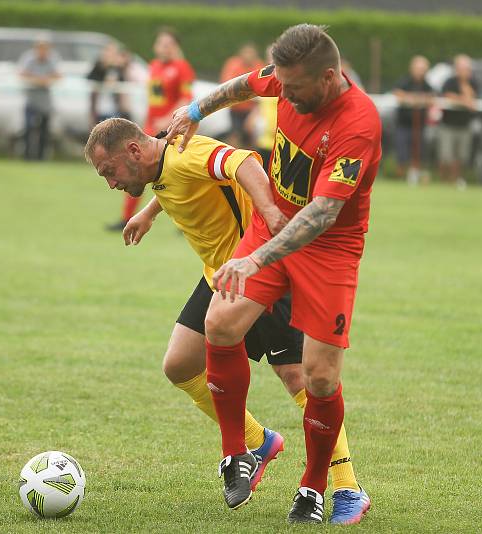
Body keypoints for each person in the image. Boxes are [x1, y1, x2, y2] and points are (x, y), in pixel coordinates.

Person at [85, 115, 368, 523]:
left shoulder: (189, 153)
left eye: (108, 171)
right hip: (220, 278)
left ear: (132, 150)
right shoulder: (162, 162)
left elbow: (243, 163)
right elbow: (175, 182)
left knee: (299, 379)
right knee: (180, 365)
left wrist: (270, 212)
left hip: (262, 272)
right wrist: (149, 212)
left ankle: (347, 487)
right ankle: (259, 443)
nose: (110, 182)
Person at [165, 23, 380, 524]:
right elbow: (242, 84)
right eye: (281, 83)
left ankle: (313, 486)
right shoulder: (288, 78)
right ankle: (239, 451)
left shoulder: (358, 124)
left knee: (320, 378)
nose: (285, 94)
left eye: (296, 88)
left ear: (328, 78)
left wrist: (255, 258)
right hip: (271, 228)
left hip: (329, 249)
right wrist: (194, 110)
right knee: (220, 324)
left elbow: (324, 214)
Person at [108, 28, 194, 232]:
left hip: (172, 131)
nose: (163, 47)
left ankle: (187, 221)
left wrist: (168, 118)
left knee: (177, 174)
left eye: (168, 44)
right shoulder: (154, 66)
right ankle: (127, 217)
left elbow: (186, 99)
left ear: (175, 47)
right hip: (149, 130)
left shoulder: (182, 68)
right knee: (133, 170)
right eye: (160, 43)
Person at [392, 55, 434, 182]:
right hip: (403, 124)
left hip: (420, 125)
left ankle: (414, 176)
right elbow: (397, 93)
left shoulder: (427, 84)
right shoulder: (405, 81)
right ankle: (399, 176)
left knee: (418, 152)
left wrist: (421, 99)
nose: (421, 72)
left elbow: (432, 96)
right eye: (418, 68)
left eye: (423, 69)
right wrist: (411, 98)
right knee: (401, 152)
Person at [438, 54, 479, 186]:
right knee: (446, 155)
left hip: (465, 125)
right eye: (462, 68)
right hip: (448, 124)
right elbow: (447, 96)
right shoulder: (449, 81)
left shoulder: (473, 82)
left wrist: (464, 85)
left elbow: (472, 99)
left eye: (467, 68)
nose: (465, 71)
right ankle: (444, 179)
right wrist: (463, 101)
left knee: (462, 156)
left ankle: (457, 179)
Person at [19, 38, 60, 161]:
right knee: (27, 130)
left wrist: (45, 79)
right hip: (31, 102)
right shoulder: (29, 59)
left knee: (44, 132)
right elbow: (22, 74)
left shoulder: (52, 60)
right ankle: (27, 157)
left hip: (46, 104)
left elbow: (58, 75)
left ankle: (41, 158)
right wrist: (39, 80)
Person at [220, 43, 264, 148]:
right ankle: (231, 158)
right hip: (235, 107)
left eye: (250, 53)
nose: (248, 56)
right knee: (234, 134)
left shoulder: (259, 66)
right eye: (246, 53)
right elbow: (227, 83)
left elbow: (262, 90)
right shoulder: (233, 64)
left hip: (252, 109)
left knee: (250, 137)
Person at [86, 42, 130, 126]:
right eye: (108, 52)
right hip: (99, 110)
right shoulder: (98, 67)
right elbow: (90, 79)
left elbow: (124, 84)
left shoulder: (118, 69)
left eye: (113, 53)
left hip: (115, 111)